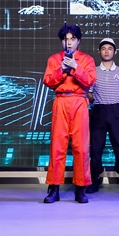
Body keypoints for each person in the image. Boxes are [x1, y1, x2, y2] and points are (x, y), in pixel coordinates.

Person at [42, 22, 97, 204]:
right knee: (57, 147)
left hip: (79, 102)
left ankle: (80, 189)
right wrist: (61, 71)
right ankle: (54, 189)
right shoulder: (54, 59)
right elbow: (48, 81)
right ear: (62, 42)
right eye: (66, 39)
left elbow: (90, 81)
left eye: (73, 38)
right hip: (61, 102)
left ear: (78, 40)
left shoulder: (87, 60)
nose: (69, 42)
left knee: (81, 147)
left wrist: (76, 67)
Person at [86, 38, 119, 194]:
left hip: (116, 112)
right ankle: (94, 181)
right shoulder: (93, 71)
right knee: (96, 148)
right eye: (103, 49)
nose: (106, 51)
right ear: (99, 51)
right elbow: (88, 92)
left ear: (115, 52)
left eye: (110, 48)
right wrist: (95, 100)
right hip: (99, 112)